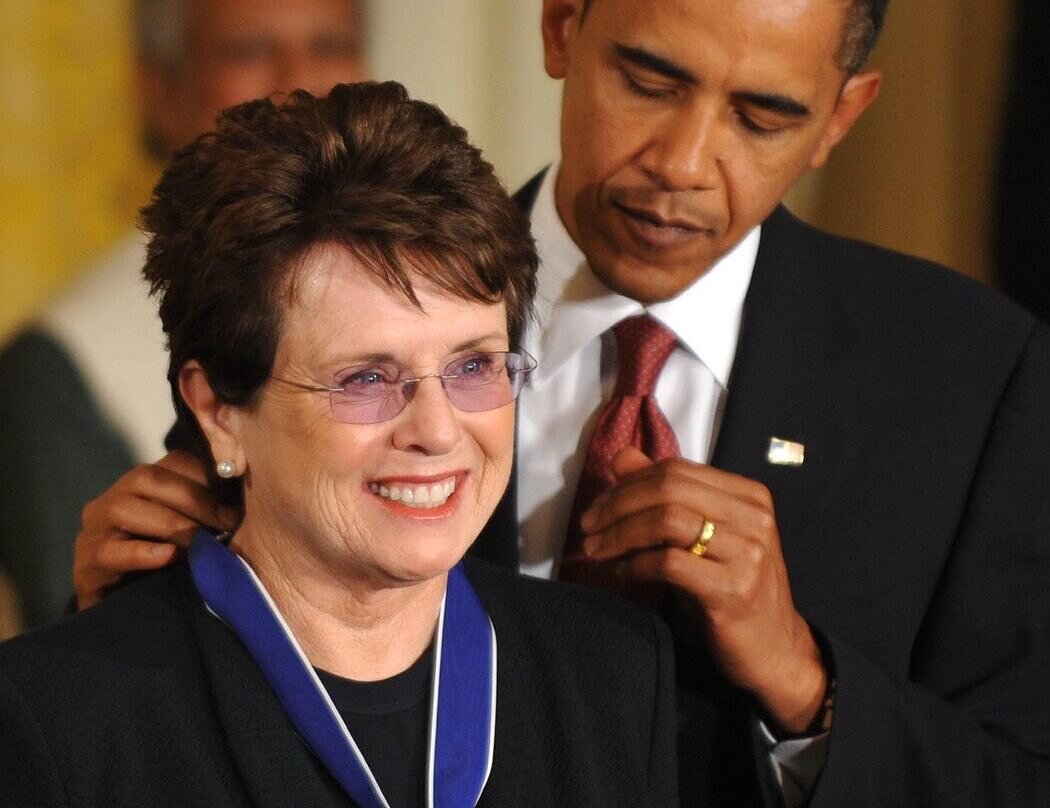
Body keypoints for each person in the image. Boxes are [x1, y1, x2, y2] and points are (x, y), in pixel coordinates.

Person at [74, 1, 1050, 805]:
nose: (683, 161)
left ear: (841, 116)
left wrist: (806, 681)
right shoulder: (331, 302)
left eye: (762, 118)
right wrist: (118, 618)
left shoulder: (969, 377)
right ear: (561, 25)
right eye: (650, 81)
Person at [0, 81, 678, 807]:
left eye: (473, 367)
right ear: (220, 412)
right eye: (366, 378)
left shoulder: (614, 676)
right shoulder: (52, 719)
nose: (437, 431)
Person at [0, 0, 367, 630]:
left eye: (329, 46)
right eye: (248, 51)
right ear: (160, 90)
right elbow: (68, 649)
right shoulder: (56, 370)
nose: (299, 84)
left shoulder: (442, 304)